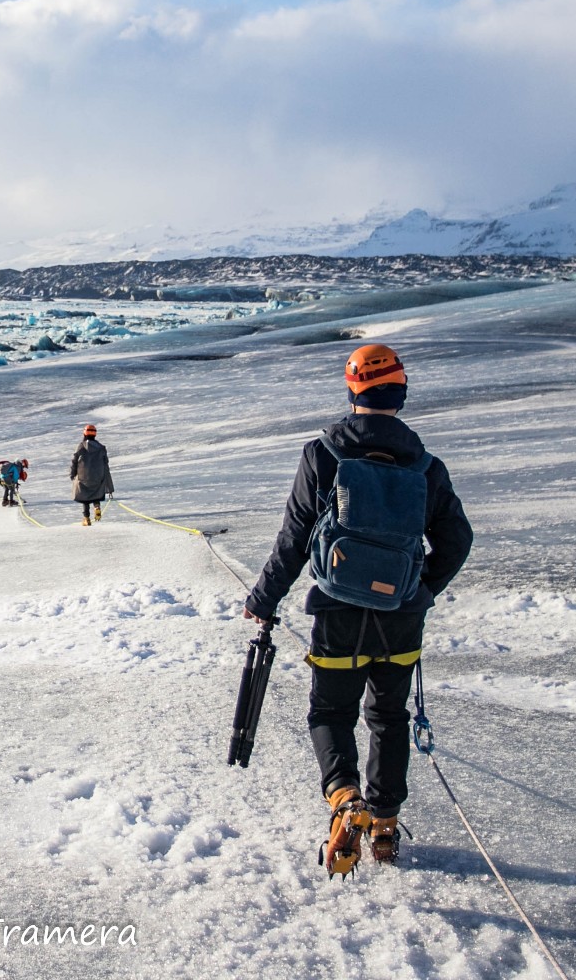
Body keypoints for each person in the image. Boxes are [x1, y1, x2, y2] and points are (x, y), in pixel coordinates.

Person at [243, 344, 473, 874]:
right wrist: (418, 589)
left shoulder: (322, 454)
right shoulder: (426, 465)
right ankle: (385, 825)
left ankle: (345, 800)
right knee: (389, 716)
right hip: (401, 619)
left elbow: (295, 539)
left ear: (352, 391)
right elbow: (457, 540)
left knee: (330, 711)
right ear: (402, 391)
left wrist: (264, 598)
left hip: (338, 613)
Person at [70, 424, 113, 526]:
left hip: (84, 477)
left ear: (84, 433)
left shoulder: (80, 446)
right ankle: (97, 507)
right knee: (96, 492)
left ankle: (86, 518)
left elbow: (74, 461)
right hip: (98, 477)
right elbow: (105, 463)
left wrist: (73, 474)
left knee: (85, 496)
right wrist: (108, 483)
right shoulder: (101, 448)